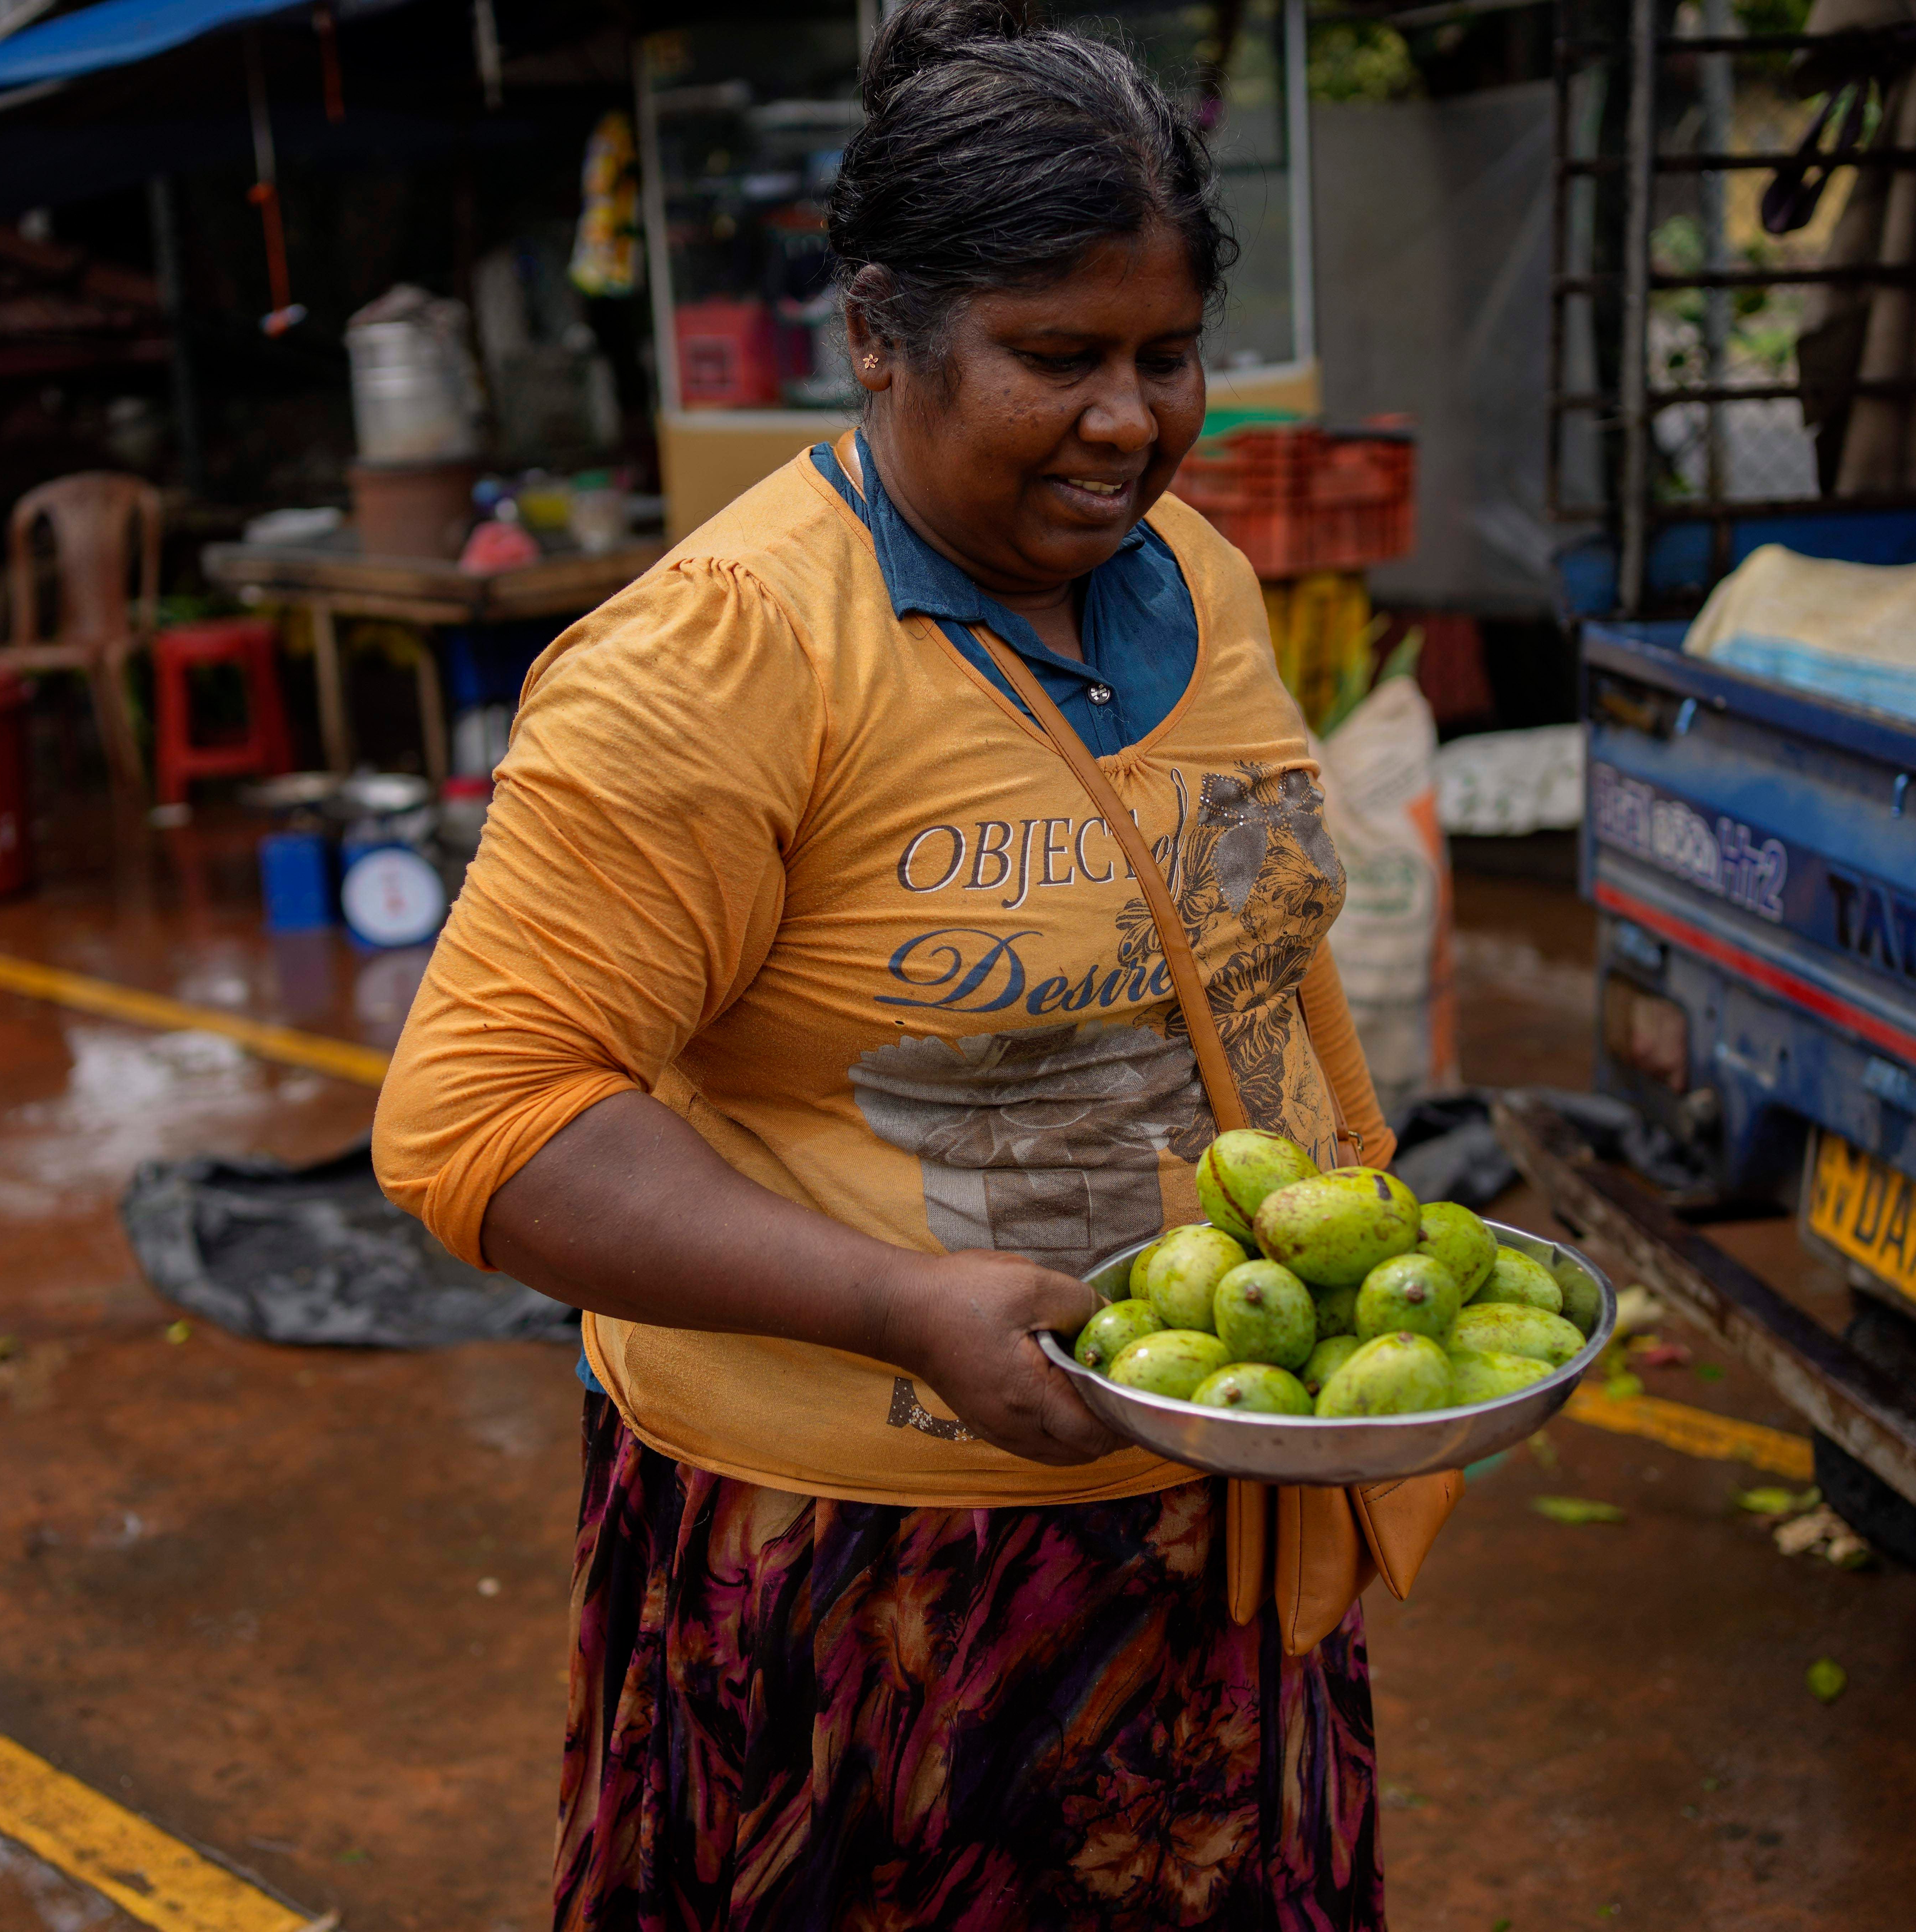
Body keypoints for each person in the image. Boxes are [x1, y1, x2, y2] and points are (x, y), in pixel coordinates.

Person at [378, 4, 1399, 1923]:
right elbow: (484, 1121)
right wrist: (899, 1299)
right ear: (875, 339)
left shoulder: (1212, 580)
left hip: (1229, 1494)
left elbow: (1260, 964)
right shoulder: (726, 655)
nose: (1130, 419)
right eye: (1056, 358)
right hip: (887, 1579)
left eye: (1167, 356)